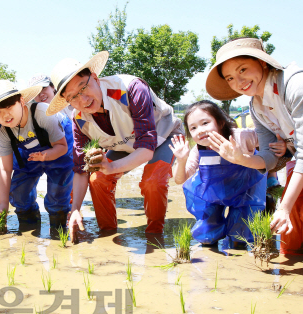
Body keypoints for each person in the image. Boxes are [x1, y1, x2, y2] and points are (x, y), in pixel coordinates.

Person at [47, 51, 184, 243]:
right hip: (123, 144)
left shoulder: (130, 89)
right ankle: (107, 233)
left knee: (153, 180)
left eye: (83, 87)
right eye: (73, 97)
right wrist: (76, 209)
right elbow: (80, 170)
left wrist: (111, 166)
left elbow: (146, 147)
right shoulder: (78, 120)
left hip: (163, 135)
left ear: (94, 77)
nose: (83, 100)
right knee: (98, 179)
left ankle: (154, 236)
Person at [205, 37, 303, 255]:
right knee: (290, 240)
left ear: (263, 63)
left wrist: (284, 207)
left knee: (292, 212)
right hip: (297, 165)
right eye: (230, 77)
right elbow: (269, 157)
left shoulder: (295, 85)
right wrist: (240, 158)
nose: (239, 81)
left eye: (243, 69)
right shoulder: (256, 106)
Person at [0, 80, 73, 230]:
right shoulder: (5, 133)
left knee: (56, 197)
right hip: (30, 152)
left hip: (59, 147)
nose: (5, 115)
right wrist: (3, 203)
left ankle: (58, 231)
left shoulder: (43, 114)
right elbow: (5, 169)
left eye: (9, 107)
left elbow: (62, 147)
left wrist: (46, 155)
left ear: (21, 101)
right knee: (18, 193)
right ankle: (30, 229)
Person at [170, 100, 269, 248]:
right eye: (193, 128)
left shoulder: (241, 137)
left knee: (240, 238)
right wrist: (181, 160)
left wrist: (280, 145)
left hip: (248, 186)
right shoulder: (198, 150)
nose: (200, 131)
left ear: (221, 122)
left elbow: (268, 139)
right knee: (206, 237)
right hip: (216, 190)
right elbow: (180, 179)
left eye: (205, 123)